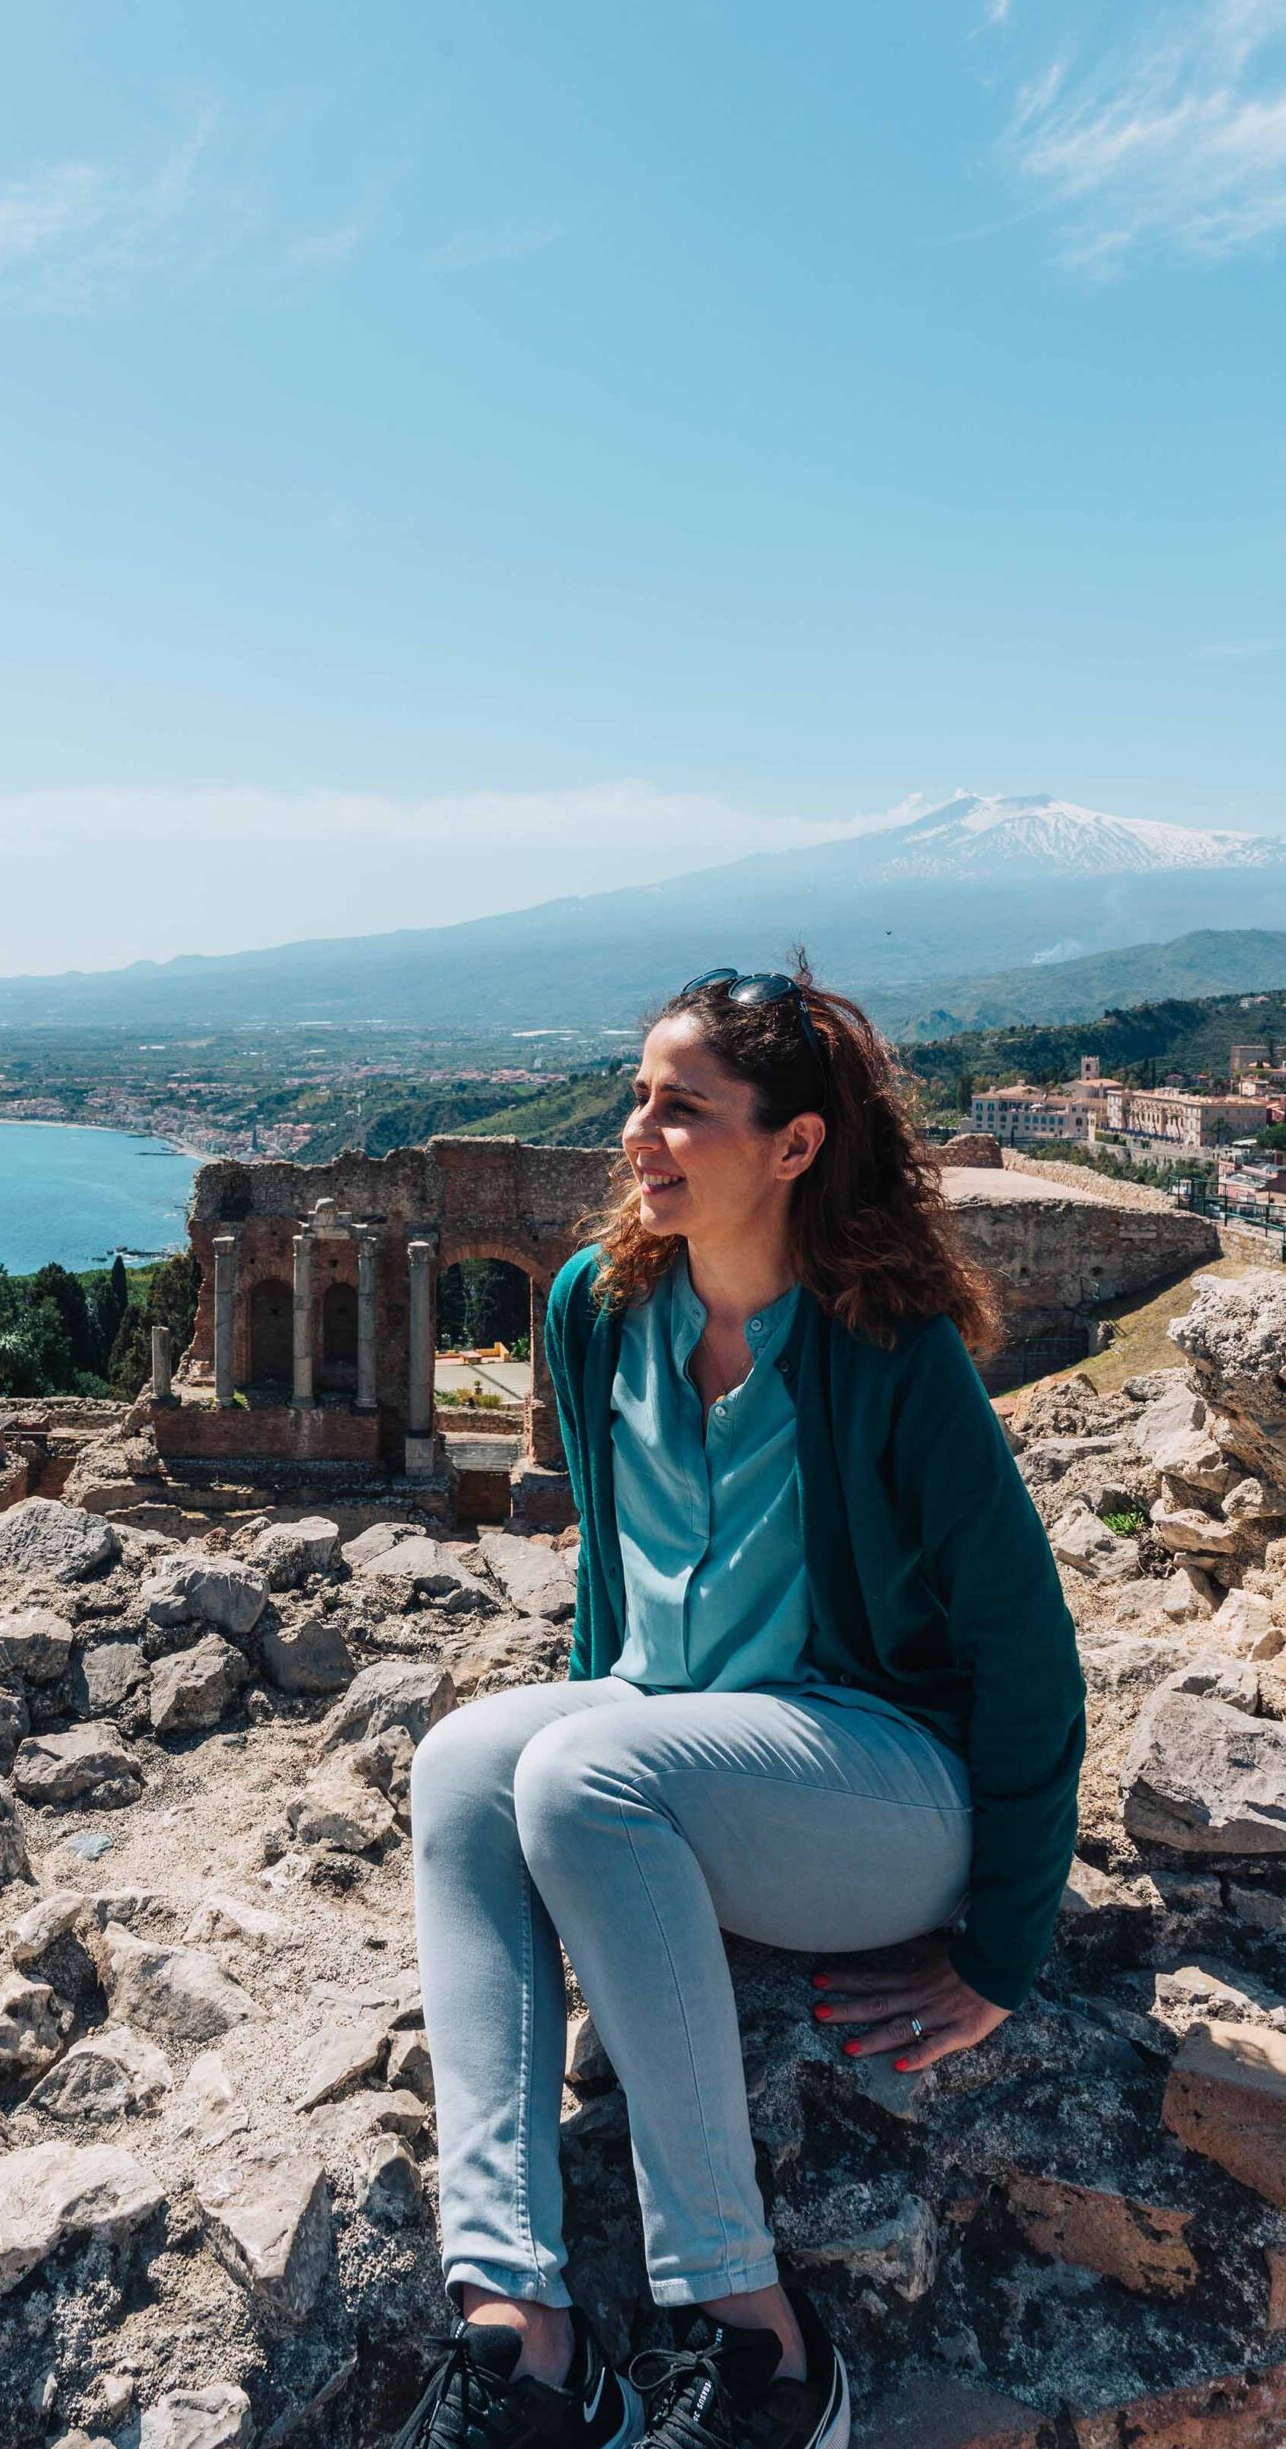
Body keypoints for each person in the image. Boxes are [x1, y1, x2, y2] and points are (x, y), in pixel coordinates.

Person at [392, 964, 1086, 2449]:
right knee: (462, 1763)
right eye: (638, 1098)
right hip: (672, 1752)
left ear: (795, 1146)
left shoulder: (889, 1351)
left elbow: (1029, 1652)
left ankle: (760, 2342)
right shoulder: (595, 1311)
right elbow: (610, 1594)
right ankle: (526, 2335)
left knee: (583, 1777)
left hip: (884, 1791)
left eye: (685, 1109)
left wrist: (1005, 1949)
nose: (641, 1133)